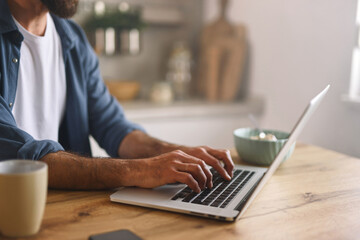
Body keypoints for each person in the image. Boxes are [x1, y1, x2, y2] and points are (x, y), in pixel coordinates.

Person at [0, 0, 234, 193]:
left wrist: (177, 154)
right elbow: (24, 156)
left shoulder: (72, 38)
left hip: (68, 211)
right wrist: (142, 170)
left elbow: (114, 127)